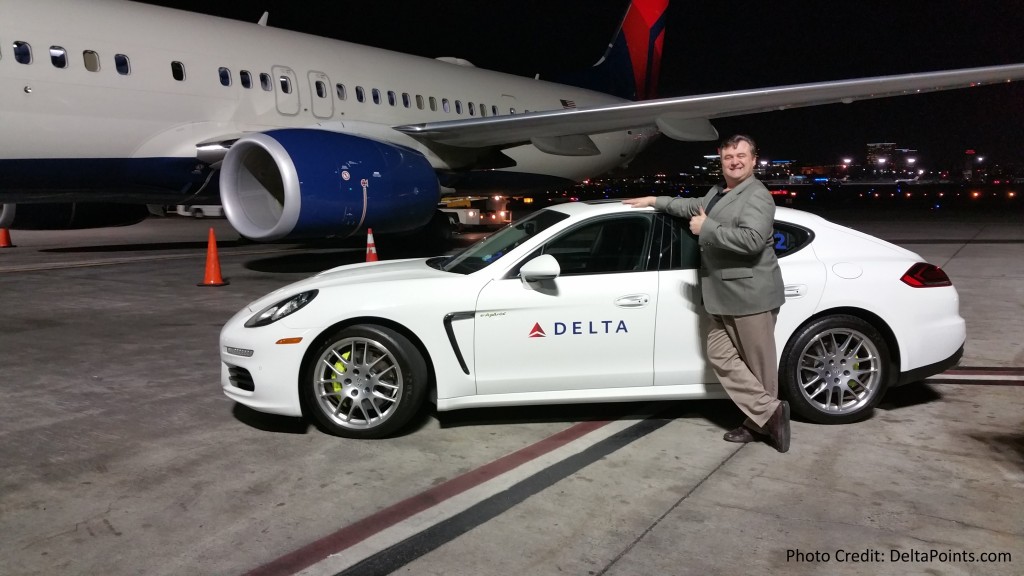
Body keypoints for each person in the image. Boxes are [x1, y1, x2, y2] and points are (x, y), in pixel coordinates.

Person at [623, 134, 790, 452]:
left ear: (754, 160)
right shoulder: (718, 191)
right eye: (729, 156)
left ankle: (760, 425)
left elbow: (753, 240)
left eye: (741, 155)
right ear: (721, 159)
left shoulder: (757, 195)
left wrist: (708, 229)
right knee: (720, 355)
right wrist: (653, 201)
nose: (735, 161)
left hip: (750, 293)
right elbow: (689, 207)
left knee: (759, 367)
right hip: (722, 293)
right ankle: (769, 412)